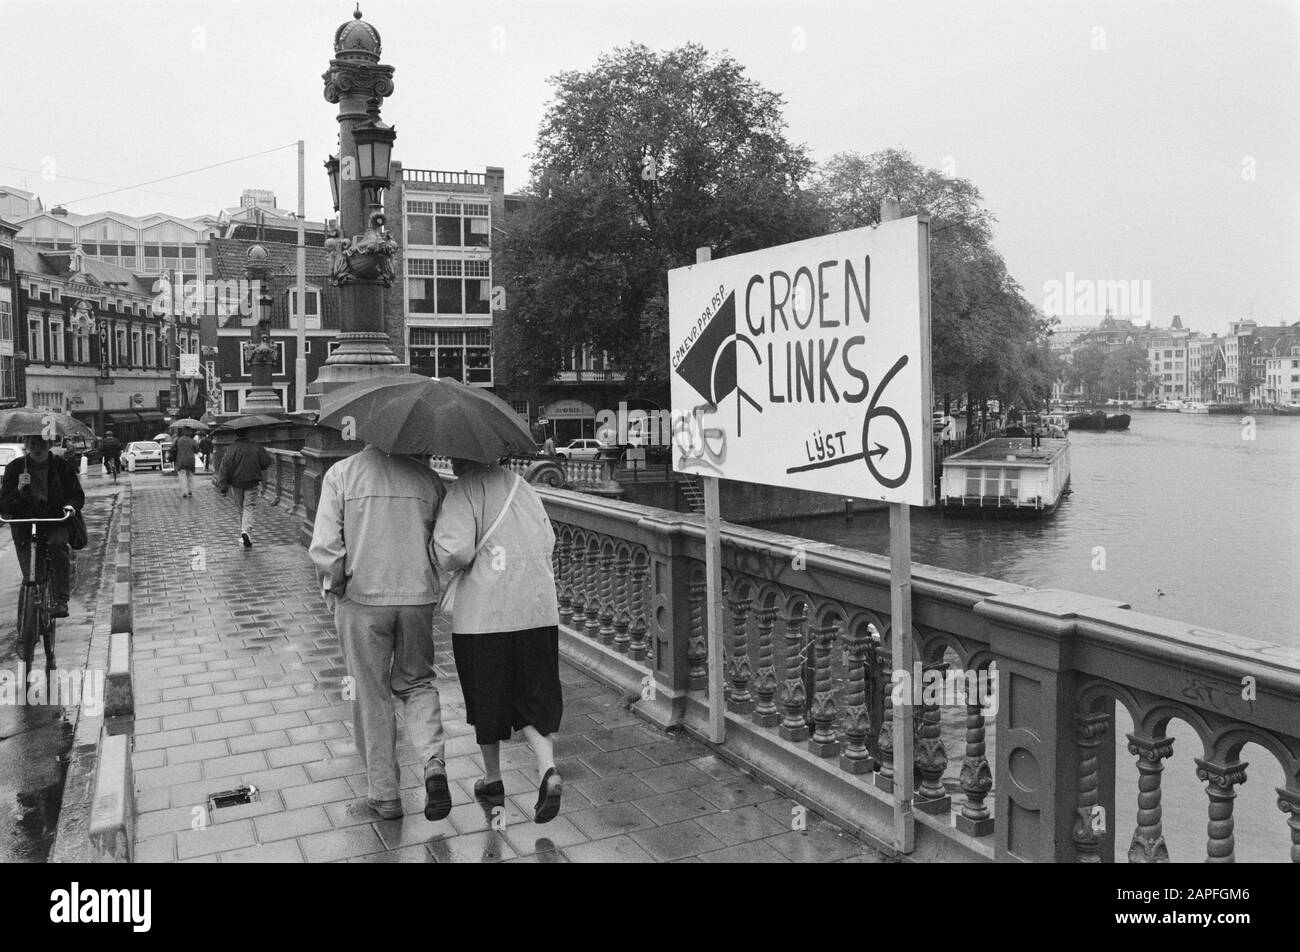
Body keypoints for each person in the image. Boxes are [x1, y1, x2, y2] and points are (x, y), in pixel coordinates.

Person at [309, 443, 452, 822]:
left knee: (368, 692)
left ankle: (385, 795)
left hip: (362, 597)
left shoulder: (342, 474)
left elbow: (325, 547)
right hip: (417, 597)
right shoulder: (429, 480)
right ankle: (433, 762)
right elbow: (445, 547)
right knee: (417, 683)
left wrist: (336, 587)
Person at [433, 457, 564, 823]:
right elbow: (548, 539)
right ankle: (547, 769)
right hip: (536, 610)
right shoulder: (525, 487)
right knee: (532, 695)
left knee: (487, 697)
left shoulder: (465, 490)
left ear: (463, 457)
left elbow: (452, 552)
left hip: (484, 615)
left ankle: (493, 780)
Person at [0, 434, 86, 618]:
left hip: (54, 520)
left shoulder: (62, 467)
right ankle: (30, 610)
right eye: (33, 444)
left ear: (50, 445)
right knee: (31, 574)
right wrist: (19, 489)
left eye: (42, 444)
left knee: (57, 545)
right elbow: (5, 504)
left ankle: (61, 600)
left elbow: (76, 494)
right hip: (25, 523)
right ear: (26, 445)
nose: (37, 448)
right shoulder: (15, 468)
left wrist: (70, 507)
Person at [214, 430, 271, 547]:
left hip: (236, 483)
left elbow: (224, 469)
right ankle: (246, 531)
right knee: (249, 507)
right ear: (249, 434)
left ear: (236, 435)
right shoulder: (256, 447)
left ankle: (244, 533)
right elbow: (266, 463)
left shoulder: (231, 449)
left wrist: (223, 487)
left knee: (241, 508)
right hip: (252, 482)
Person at [173, 429, 199, 498]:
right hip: (191, 461)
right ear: (190, 433)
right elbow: (196, 451)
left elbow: (173, 449)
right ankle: (190, 491)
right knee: (190, 476)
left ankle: (184, 492)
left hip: (181, 461)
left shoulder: (178, 440)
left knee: (182, 476)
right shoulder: (193, 441)